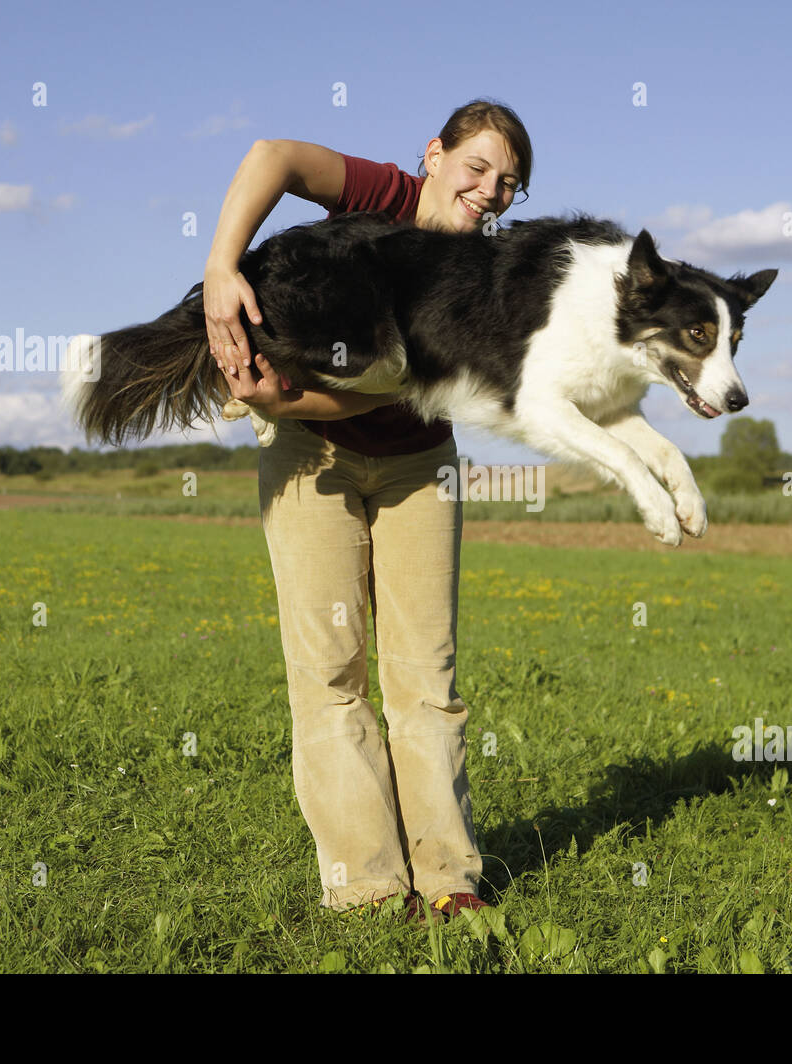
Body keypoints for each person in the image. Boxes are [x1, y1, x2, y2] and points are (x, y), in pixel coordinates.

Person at [202, 100, 533, 923]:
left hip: (418, 465)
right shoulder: (376, 196)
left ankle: (450, 880)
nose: (491, 192)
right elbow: (273, 153)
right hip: (308, 460)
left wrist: (289, 397)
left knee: (428, 675)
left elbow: (403, 388)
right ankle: (368, 890)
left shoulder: (483, 277)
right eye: (479, 168)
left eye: (509, 186)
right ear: (435, 154)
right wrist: (221, 268)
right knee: (329, 675)